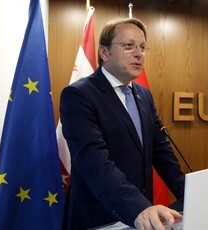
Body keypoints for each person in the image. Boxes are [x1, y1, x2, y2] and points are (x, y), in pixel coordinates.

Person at [60, 17, 185, 230]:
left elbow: (160, 151)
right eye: (128, 46)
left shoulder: (144, 95)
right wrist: (137, 207)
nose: (139, 54)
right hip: (99, 217)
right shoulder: (79, 95)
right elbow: (94, 161)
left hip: (142, 216)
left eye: (143, 47)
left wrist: (190, 194)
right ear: (104, 52)